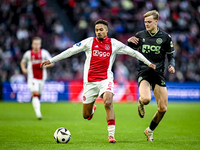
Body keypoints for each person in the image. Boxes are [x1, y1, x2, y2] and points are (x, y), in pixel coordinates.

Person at [40, 19, 156, 143]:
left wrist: (148, 63)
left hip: (105, 80)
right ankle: (92, 108)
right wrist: (52, 60)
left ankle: (111, 135)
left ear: (106, 30)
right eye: (96, 30)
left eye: (101, 29)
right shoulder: (89, 42)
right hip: (89, 83)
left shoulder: (114, 44)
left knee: (108, 102)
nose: (98, 32)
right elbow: (70, 51)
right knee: (86, 115)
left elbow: (133, 53)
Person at [127, 10, 175, 141]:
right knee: (146, 99)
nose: (146, 24)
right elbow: (130, 50)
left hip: (158, 74)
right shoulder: (140, 35)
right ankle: (141, 102)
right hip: (145, 73)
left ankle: (149, 130)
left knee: (163, 109)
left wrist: (172, 65)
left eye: (149, 22)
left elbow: (171, 55)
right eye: (145, 22)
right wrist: (129, 42)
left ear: (156, 21)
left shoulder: (165, 37)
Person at [20, 37, 54, 120]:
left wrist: (44, 65)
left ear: (40, 44)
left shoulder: (44, 53)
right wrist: (23, 69)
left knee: (38, 95)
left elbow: (52, 63)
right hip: (32, 77)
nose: (36, 45)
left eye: (38, 44)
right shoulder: (28, 54)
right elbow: (22, 62)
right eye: (35, 44)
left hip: (42, 78)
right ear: (32, 44)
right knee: (35, 93)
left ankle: (35, 100)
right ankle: (38, 114)